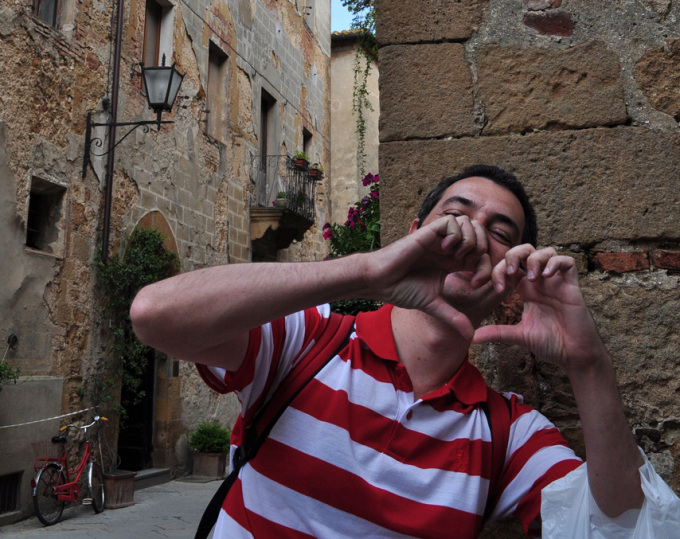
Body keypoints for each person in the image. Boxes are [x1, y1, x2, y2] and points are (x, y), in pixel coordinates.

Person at [131, 163, 650, 538]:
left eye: (499, 232)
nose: (472, 234)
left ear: (508, 281)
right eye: (456, 215)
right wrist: (370, 270)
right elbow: (155, 316)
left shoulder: (506, 432)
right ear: (414, 234)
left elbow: (621, 528)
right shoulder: (309, 341)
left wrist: (588, 362)